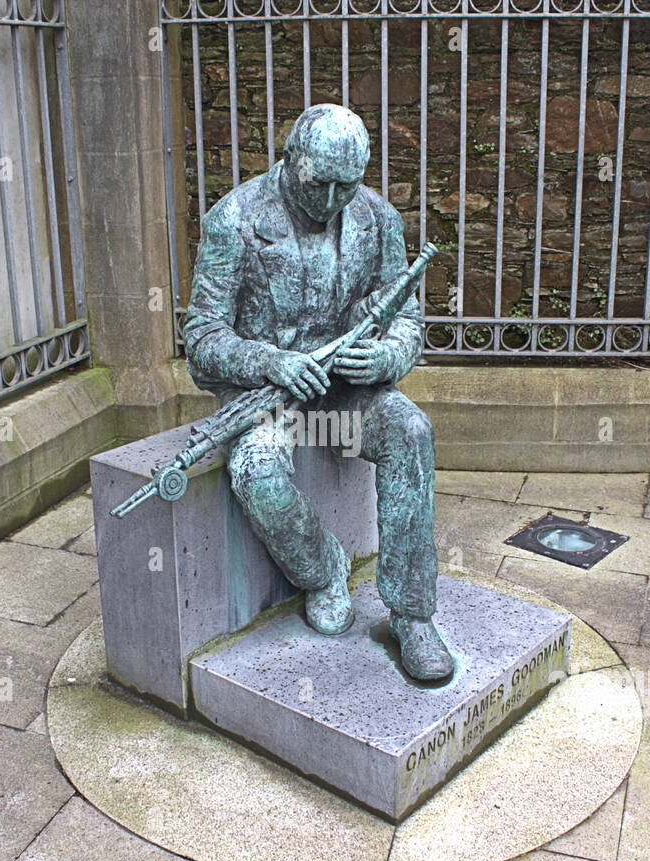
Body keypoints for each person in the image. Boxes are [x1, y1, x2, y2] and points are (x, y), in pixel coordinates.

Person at [182, 104, 452, 681]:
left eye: (346, 187)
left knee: (411, 430)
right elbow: (201, 340)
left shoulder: (378, 220)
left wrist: (385, 357)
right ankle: (323, 569)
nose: (331, 201)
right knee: (258, 476)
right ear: (290, 160)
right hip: (269, 396)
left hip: (345, 391)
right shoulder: (233, 221)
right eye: (319, 184)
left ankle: (412, 615)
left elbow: (407, 320)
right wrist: (271, 362)